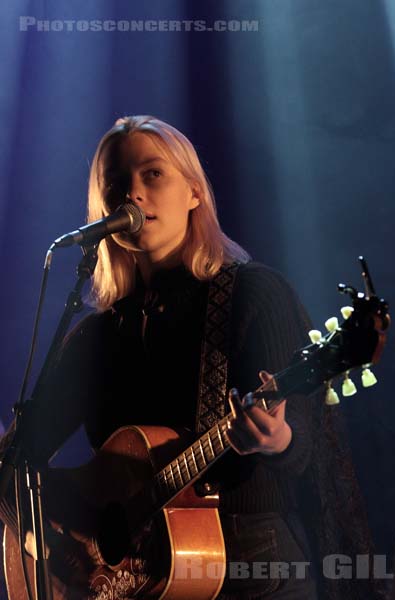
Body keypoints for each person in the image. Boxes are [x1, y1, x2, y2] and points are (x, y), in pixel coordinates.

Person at [2, 115, 324, 598]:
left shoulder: (252, 294)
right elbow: (17, 459)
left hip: (250, 563)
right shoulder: (99, 334)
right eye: (116, 183)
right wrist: (60, 547)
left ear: (194, 192)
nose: (132, 192)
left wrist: (277, 438)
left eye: (153, 174)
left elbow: (308, 437)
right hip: (141, 581)